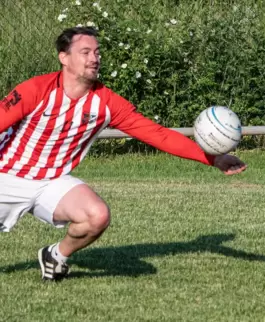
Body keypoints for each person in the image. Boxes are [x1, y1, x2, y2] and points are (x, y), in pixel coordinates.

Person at [0, 26, 247, 281]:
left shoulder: (106, 103)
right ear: (64, 57)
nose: (94, 58)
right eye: (85, 52)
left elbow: (158, 135)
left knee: (97, 216)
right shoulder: (35, 89)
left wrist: (214, 158)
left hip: (52, 181)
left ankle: (56, 256)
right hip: (6, 175)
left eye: (97, 52)